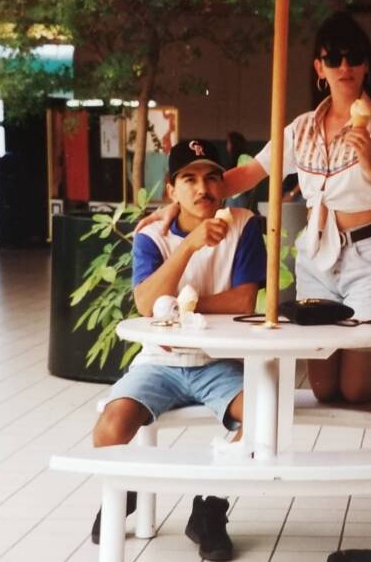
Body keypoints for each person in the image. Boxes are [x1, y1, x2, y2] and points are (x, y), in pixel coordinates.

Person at [138, 12, 371, 440]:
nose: (344, 67)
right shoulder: (301, 129)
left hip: (367, 254)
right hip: (315, 258)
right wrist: (178, 206)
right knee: (326, 389)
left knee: (355, 386)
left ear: (366, 65)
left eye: (354, 57)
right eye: (334, 58)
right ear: (319, 68)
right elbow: (246, 175)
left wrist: (369, 164)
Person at [91, 139, 266, 561]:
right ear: (172, 190)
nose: (202, 188)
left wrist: (177, 307)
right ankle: (122, 490)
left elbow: (243, 301)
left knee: (263, 417)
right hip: (161, 360)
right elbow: (146, 302)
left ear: (224, 185)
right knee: (111, 426)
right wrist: (189, 246)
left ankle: (208, 509)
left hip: (219, 360)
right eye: (189, 179)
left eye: (211, 177)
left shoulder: (244, 224)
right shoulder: (153, 235)